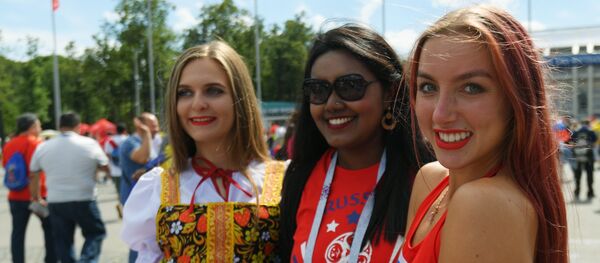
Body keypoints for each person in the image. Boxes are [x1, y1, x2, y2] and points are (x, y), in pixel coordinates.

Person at [400, 5, 568, 262]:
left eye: (471, 88)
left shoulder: (483, 205)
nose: (440, 114)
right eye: (428, 86)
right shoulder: (430, 179)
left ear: (515, 101)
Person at [278, 24, 434, 262]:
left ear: (389, 92)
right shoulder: (300, 177)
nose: (331, 103)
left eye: (350, 86)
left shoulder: (427, 180)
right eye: (318, 90)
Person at [121, 40, 287, 262]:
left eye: (213, 91)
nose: (197, 104)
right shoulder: (158, 186)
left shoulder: (283, 179)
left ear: (240, 99)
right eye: (185, 93)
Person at [29, 112, 109, 263]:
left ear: (59, 127)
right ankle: (87, 260)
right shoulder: (89, 143)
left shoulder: (44, 147)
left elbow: (33, 174)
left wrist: (36, 197)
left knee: (63, 241)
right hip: (84, 197)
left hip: (56, 200)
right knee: (95, 233)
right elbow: (105, 166)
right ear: (78, 127)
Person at [2, 113, 56, 263]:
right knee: (50, 229)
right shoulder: (35, 144)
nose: (40, 128)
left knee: (18, 233)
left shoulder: (9, 144)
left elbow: (6, 166)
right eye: (38, 125)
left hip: (15, 195)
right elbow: (35, 172)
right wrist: (36, 197)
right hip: (36, 196)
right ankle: (51, 259)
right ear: (32, 127)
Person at [118, 112, 161, 262]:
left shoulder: (150, 141)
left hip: (147, 199)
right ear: (141, 126)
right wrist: (147, 134)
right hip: (134, 198)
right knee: (141, 243)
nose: (157, 128)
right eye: (153, 125)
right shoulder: (131, 142)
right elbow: (142, 157)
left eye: (156, 125)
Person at [104, 122, 128, 217]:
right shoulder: (128, 139)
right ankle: (127, 208)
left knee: (119, 191)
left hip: (115, 170)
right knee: (129, 190)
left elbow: (107, 155)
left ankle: (120, 205)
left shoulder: (110, 141)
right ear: (125, 130)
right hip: (128, 170)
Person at [570, 119, 597, 200]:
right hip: (589, 156)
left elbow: (571, 140)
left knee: (578, 175)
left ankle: (577, 191)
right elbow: (595, 140)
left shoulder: (576, 131)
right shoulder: (591, 131)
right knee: (589, 174)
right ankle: (590, 192)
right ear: (588, 124)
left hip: (578, 156)